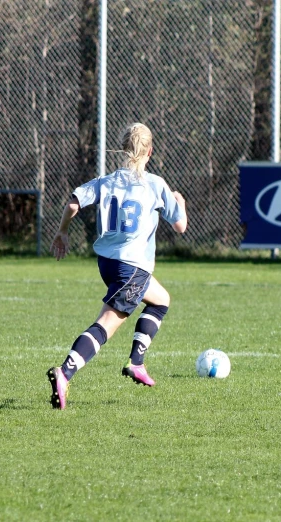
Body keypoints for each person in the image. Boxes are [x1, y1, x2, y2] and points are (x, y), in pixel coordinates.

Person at [46, 122, 187, 409]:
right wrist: (179, 203)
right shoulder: (156, 185)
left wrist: (62, 231)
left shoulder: (107, 180)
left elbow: (73, 203)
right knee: (106, 325)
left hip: (108, 262)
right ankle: (65, 371)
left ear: (124, 149)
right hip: (132, 267)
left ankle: (137, 362)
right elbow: (180, 226)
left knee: (160, 300)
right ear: (150, 151)